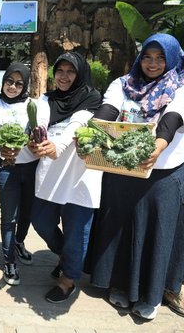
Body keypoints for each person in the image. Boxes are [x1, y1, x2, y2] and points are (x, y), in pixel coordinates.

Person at [89, 33, 184, 320]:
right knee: (120, 228)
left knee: (158, 234)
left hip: (163, 174)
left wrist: (158, 145)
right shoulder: (124, 84)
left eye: (160, 58)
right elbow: (108, 109)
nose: (152, 64)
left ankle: (153, 294)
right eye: (147, 57)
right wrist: (92, 133)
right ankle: (119, 284)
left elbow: (173, 118)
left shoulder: (180, 85)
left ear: (172, 60)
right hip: (122, 170)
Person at [28, 52, 102, 303]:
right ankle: (68, 258)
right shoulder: (45, 100)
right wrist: (34, 144)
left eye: (71, 71)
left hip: (80, 180)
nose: (64, 76)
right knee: (41, 222)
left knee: (75, 234)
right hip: (49, 176)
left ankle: (69, 279)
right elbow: (37, 127)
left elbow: (78, 124)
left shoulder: (92, 98)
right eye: (60, 71)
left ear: (80, 74)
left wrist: (57, 146)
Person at [0, 62, 42, 286]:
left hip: (31, 168)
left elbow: (40, 132)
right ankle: (9, 261)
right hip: (6, 169)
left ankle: (19, 242)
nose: (13, 87)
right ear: (3, 83)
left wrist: (36, 138)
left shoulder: (33, 106)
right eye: (9, 82)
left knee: (27, 213)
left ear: (25, 85)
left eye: (19, 83)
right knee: (9, 218)